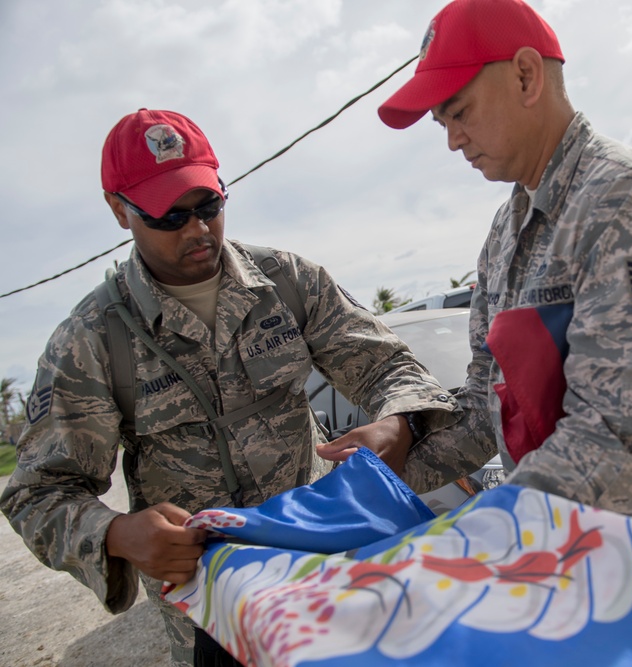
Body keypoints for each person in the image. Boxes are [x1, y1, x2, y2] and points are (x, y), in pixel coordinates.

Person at [0, 108, 458, 666]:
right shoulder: (90, 341)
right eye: (169, 216)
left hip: (327, 565)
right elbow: (37, 493)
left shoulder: (288, 282)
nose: (196, 230)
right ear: (120, 209)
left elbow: (390, 366)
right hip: (214, 608)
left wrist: (397, 422)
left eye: (208, 206)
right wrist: (117, 532)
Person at [323, 0, 632, 544]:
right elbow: (484, 409)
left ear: (526, 76)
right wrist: (397, 442)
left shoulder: (625, 200)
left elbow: (625, 438)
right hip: (576, 564)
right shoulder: (506, 232)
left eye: (459, 112)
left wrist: (477, 538)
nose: (452, 139)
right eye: (442, 123)